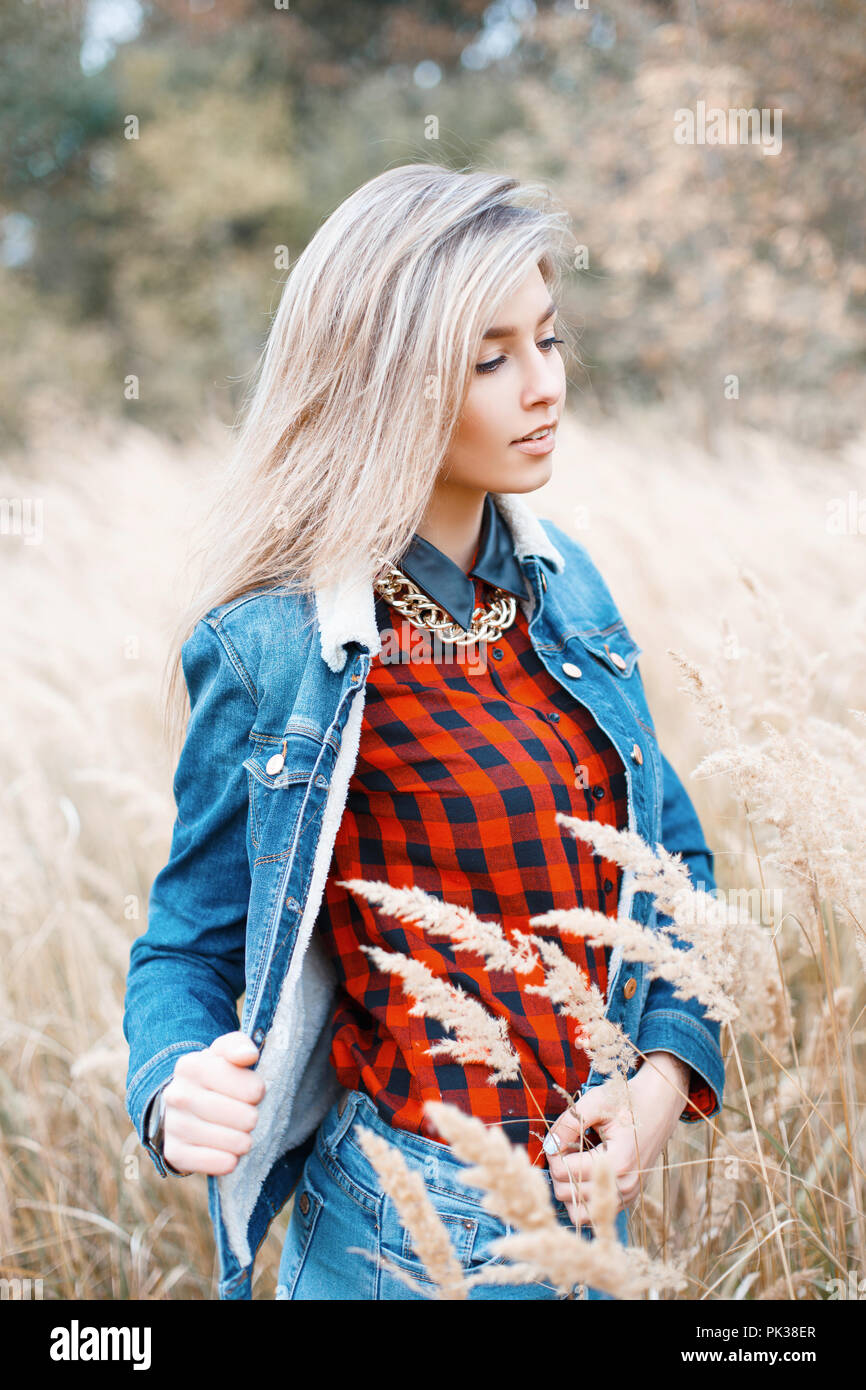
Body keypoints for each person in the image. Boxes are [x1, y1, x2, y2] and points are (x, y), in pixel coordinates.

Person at [123, 163, 725, 1301]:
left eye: (547, 339)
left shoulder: (567, 591)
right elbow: (186, 947)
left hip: (597, 1228)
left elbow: (675, 866)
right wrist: (172, 1081)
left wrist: (652, 1090)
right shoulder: (281, 645)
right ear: (384, 379)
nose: (541, 385)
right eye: (490, 358)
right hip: (404, 1235)